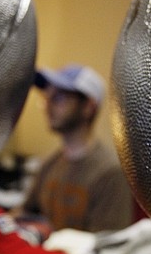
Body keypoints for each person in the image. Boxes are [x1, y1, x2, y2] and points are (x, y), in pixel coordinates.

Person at [13, 64, 132, 234]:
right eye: (47, 97)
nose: (48, 106)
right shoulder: (49, 163)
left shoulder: (111, 172)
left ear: (88, 107)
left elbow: (107, 246)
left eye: (59, 98)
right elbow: (23, 213)